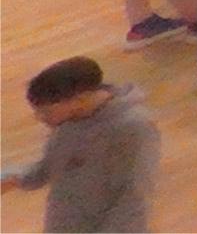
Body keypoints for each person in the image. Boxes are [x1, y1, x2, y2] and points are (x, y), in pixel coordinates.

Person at [5, 58, 158, 234]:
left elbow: (134, 196)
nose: (40, 118)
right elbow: (53, 165)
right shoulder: (68, 122)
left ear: (79, 100)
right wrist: (13, 178)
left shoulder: (133, 128)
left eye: (46, 111)